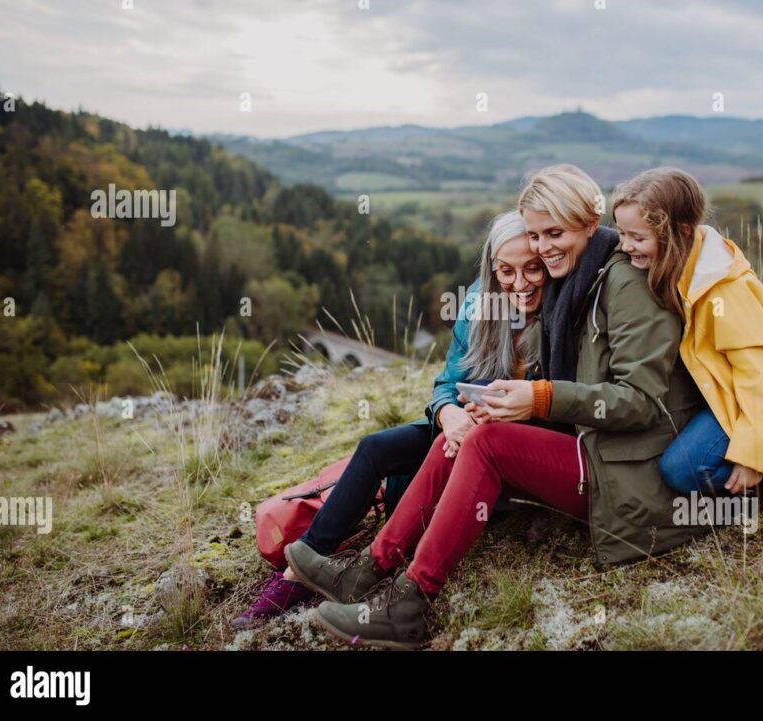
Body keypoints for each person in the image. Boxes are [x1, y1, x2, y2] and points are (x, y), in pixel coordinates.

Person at [298, 164, 706, 649]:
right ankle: (369, 569)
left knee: (488, 443)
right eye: (535, 235)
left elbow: (640, 402)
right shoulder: (575, 280)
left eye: (554, 233)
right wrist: (490, 404)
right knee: (472, 432)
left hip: (626, 469)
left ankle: (411, 601)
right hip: (591, 446)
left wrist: (539, 398)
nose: (543, 247)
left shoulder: (625, 284)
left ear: (589, 223)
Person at [230, 210, 545, 630]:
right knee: (376, 447)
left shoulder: (560, 312)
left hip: (510, 444)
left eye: (532, 269)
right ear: (491, 269)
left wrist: (482, 424)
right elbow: (446, 383)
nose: (520, 283)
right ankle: (299, 574)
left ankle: (370, 576)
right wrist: (449, 414)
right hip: (464, 428)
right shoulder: (480, 304)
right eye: (506, 271)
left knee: (454, 448)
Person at [611, 167, 763, 513]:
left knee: (681, 470)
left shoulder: (725, 293)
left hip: (751, 408)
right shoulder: (678, 267)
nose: (625, 246)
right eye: (621, 234)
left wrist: (752, 457)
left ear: (682, 232)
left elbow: (760, 376)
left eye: (637, 238)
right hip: (718, 397)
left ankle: (756, 481)